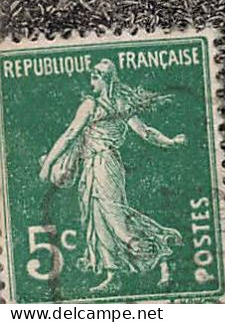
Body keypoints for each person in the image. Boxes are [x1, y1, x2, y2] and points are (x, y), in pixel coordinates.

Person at [37, 59, 186, 294]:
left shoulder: (92, 104)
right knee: (99, 218)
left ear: (102, 78)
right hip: (99, 164)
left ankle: (162, 251)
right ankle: (113, 274)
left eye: (93, 76)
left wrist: (48, 164)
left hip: (102, 163)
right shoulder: (121, 103)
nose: (90, 81)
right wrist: (170, 142)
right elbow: (146, 133)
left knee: (114, 217)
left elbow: (69, 135)